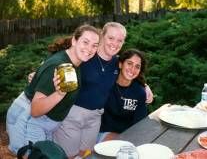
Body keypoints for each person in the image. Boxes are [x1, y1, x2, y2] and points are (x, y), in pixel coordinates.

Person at [6, 24, 100, 155]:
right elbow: (35, 110)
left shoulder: (75, 62)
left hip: (44, 122)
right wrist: (59, 94)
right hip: (30, 120)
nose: (89, 48)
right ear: (74, 41)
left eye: (94, 45)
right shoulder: (58, 65)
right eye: (86, 42)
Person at [53, 22, 127, 158]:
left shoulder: (118, 63)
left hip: (95, 117)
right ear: (102, 36)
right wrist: (37, 74)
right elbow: (60, 61)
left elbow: (131, 75)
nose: (114, 43)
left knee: (86, 154)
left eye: (119, 40)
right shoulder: (86, 56)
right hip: (72, 115)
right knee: (68, 155)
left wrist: (145, 85)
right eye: (111, 38)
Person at [97, 49, 148, 142]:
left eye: (137, 66)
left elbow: (139, 123)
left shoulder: (139, 92)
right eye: (129, 63)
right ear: (120, 64)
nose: (132, 69)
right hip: (103, 132)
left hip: (128, 135)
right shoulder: (107, 84)